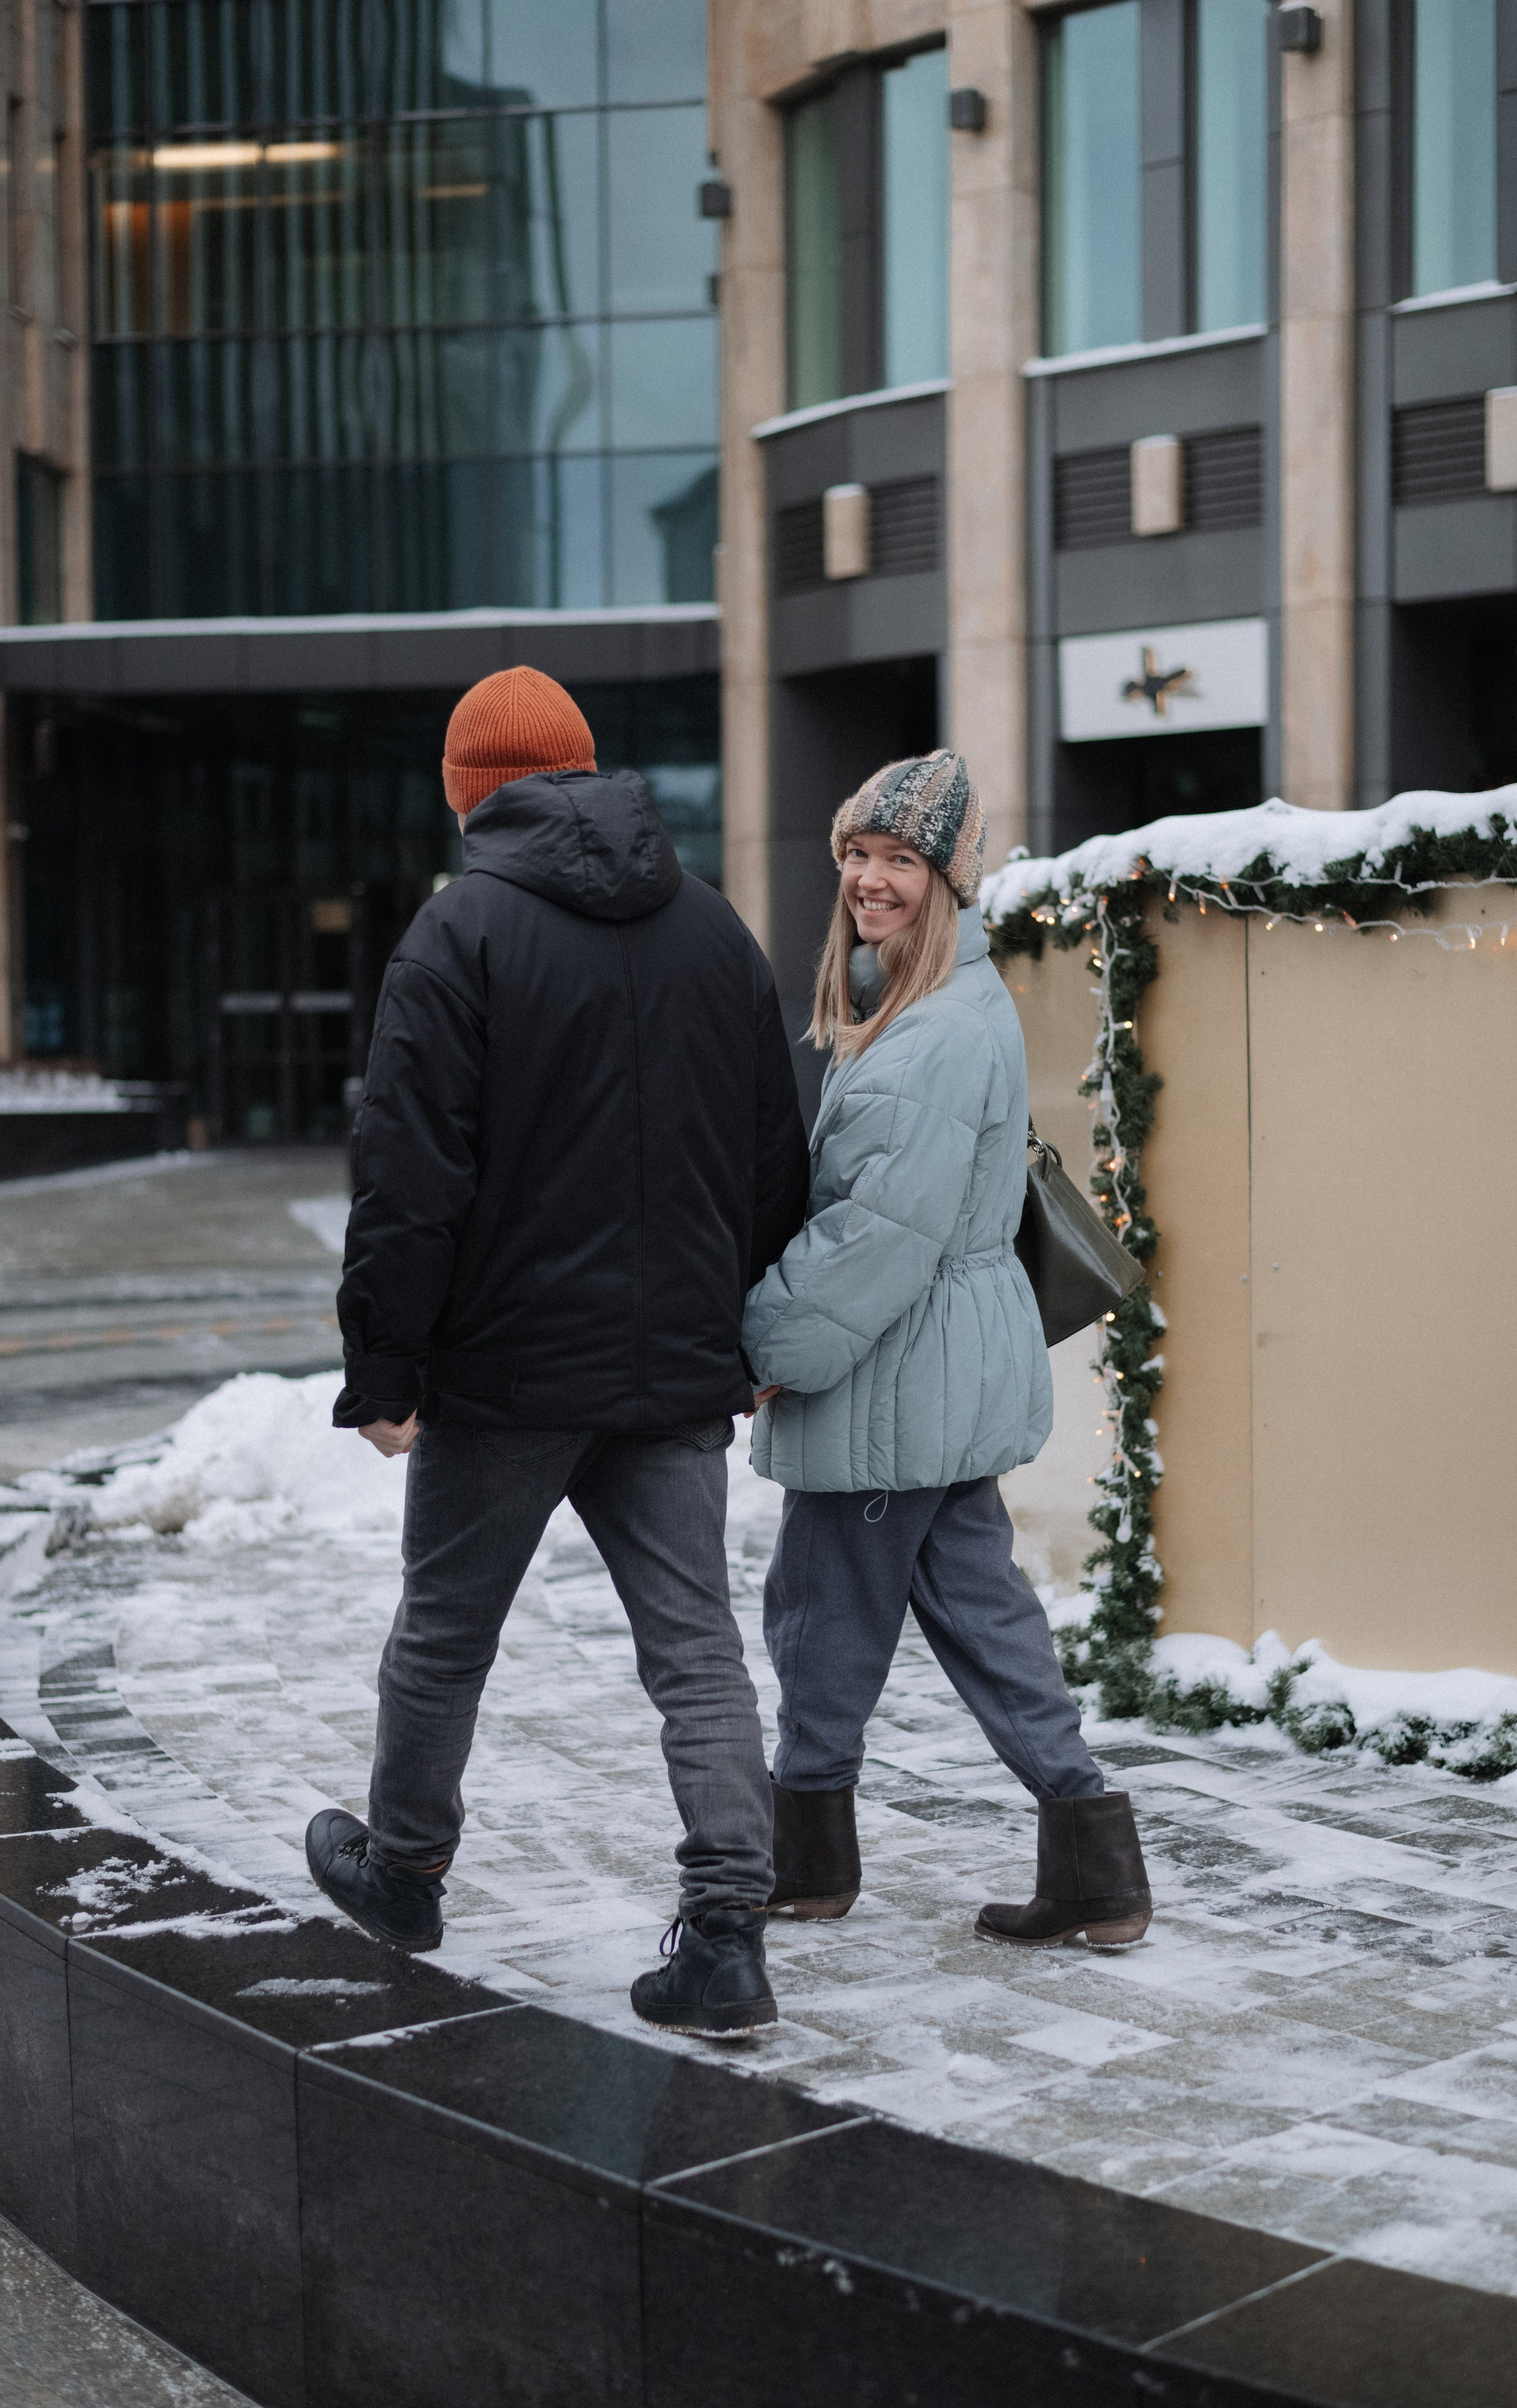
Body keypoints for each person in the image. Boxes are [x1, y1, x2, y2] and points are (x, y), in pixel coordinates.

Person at [305, 665, 810, 2038]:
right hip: (672, 1379)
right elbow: (776, 1159)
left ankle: (404, 1873)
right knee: (697, 1649)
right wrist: (744, 1319)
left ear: (473, 793)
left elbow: (406, 1179)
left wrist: (385, 1367)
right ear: (586, 774)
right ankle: (724, 1935)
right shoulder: (713, 930)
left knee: (445, 1636)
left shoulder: (455, 936)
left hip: (508, 1376)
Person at [742, 750, 1152, 1947]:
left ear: (948, 879)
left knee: (822, 1621)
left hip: (892, 1382)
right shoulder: (939, 1002)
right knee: (984, 1618)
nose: (871, 880)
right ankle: (1096, 1867)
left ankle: (808, 1866)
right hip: (938, 1377)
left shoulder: (927, 1036)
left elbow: (879, 1238)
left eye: (899, 861)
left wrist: (765, 1341)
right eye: (859, 855)